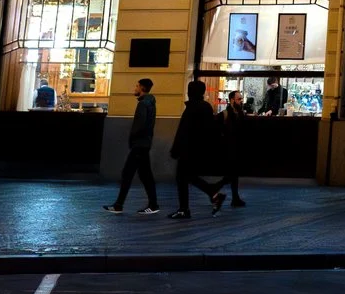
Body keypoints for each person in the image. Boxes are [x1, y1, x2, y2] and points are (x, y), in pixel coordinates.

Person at [168, 79, 223, 218]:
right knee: (189, 176)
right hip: (198, 149)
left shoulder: (192, 108)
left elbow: (183, 131)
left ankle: (184, 208)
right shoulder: (206, 107)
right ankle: (212, 192)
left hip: (188, 149)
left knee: (182, 177)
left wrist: (176, 149)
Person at [106, 77, 159, 214]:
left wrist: (132, 138)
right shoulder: (151, 103)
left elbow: (139, 126)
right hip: (145, 143)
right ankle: (153, 205)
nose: (135, 88)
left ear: (142, 88)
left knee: (127, 173)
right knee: (145, 175)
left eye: (136, 86)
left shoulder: (143, 104)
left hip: (139, 144)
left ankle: (119, 205)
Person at [215, 90, 248, 209]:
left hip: (235, 147)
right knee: (232, 174)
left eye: (241, 99)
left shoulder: (238, 113)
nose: (241, 101)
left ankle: (234, 197)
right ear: (232, 100)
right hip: (228, 148)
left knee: (233, 174)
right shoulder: (225, 114)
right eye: (239, 99)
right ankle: (215, 189)